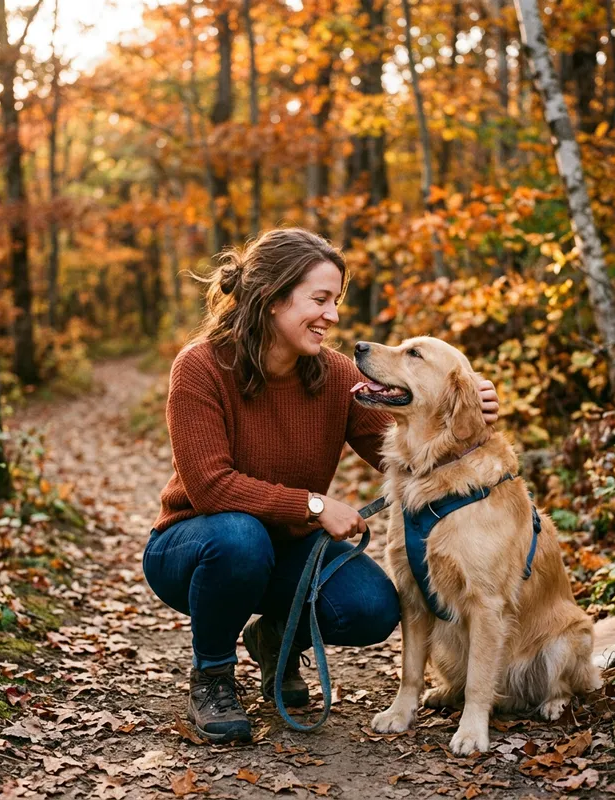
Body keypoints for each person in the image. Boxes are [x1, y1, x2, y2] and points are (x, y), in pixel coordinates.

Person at [142, 228, 500, 743]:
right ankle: (213, 677)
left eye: (336, 300)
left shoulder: (333, 376)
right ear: (271, 299)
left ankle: (274, 641)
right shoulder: (200, 368)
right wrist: (313, 506)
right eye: (320, 299)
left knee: (372, 607)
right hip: (196, 547)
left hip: (287, 552)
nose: (332, 315)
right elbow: (211, 489)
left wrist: (464, 408)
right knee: (240, 537)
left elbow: (416, 452)